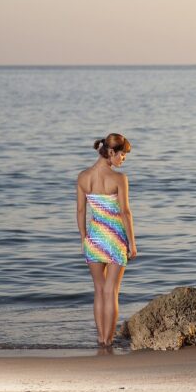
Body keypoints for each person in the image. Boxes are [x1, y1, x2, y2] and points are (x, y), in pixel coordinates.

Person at [76, 133, 137, 348]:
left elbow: (81, 211)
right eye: (122, 155)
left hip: (93, 238)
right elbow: (126, 213)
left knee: (99, 290)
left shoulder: (83, 177)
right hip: (115, 240)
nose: (123, 159)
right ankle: (109, 341)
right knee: (112, 292)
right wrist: (132, 243)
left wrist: (84, 238)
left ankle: (101, 338)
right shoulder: (119, 179)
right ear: (111, 153)